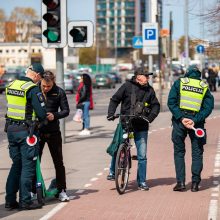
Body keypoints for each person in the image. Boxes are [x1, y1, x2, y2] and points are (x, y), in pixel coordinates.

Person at [106, 68, 160, 191]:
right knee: (118, 146)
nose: (148, 77)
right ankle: (112, 172)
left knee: (142, 155)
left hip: (141, 125)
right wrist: (111, 113)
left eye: (148, 76)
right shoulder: (126, 86)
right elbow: (115, 99)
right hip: (125, 122)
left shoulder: (149, 90)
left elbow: (156, 105)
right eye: (146, 75)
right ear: (138, 76)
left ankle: (141, 181)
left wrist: (150, 118)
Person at [5, 63, 47, 210]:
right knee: (27, 167)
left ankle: (10, 201)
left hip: (11, 130)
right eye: (40, 78)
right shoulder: (32, 89)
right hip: (26, 132)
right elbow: (41, 113)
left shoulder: (12, 85)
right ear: (36, 74)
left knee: (16, 165)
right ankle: (25, 201)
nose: (39, 81)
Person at [167, 66, 214, 192]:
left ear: (187, 73)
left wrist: (181, 118)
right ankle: (195, 184)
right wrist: (196, 119)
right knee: (197, 153)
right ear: (199, 75)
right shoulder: (204, 86)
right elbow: (208, 107)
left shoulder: (180, 83)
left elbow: (171, 102)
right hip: (196, 124)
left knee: (179, 152)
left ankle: (181, 183)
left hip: (179, 122)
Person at [39, 71, 70, 202]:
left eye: (49, 86)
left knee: (59, 162)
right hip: (38, 132)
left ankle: (62, 190)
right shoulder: (35, 89)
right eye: (44, 86)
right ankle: (33, 190)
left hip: (53, 132)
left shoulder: (59, 92)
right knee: (34, 162)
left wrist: (55, 115)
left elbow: (66, 110)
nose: (46, 89)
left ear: (53, 82)